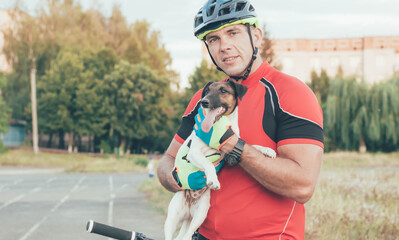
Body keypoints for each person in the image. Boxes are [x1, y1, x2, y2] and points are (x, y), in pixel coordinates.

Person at [157, 0, 324, 239]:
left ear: (256, 36)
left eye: (233, 33)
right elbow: (169, 158)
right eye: (213, 39)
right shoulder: (202, 99)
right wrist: (175, 178)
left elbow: (303, 185)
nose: (224, 46)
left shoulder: (290, 93)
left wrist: (232, 145)